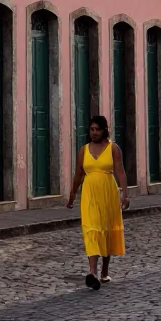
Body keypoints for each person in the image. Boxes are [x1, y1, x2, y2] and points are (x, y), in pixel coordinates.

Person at [66, 115, 130, 290]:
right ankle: (92, 273)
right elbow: (78, 175)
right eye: (91, 129)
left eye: (97, 129)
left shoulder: (113, 148)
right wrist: (72, 196)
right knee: (92, 229)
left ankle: (104, 271)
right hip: (90, 194)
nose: (94, 133)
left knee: (106, 231)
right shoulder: (83, 150)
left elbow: (120, 172)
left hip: (108, 193)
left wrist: (125, 194)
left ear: (104, 130)